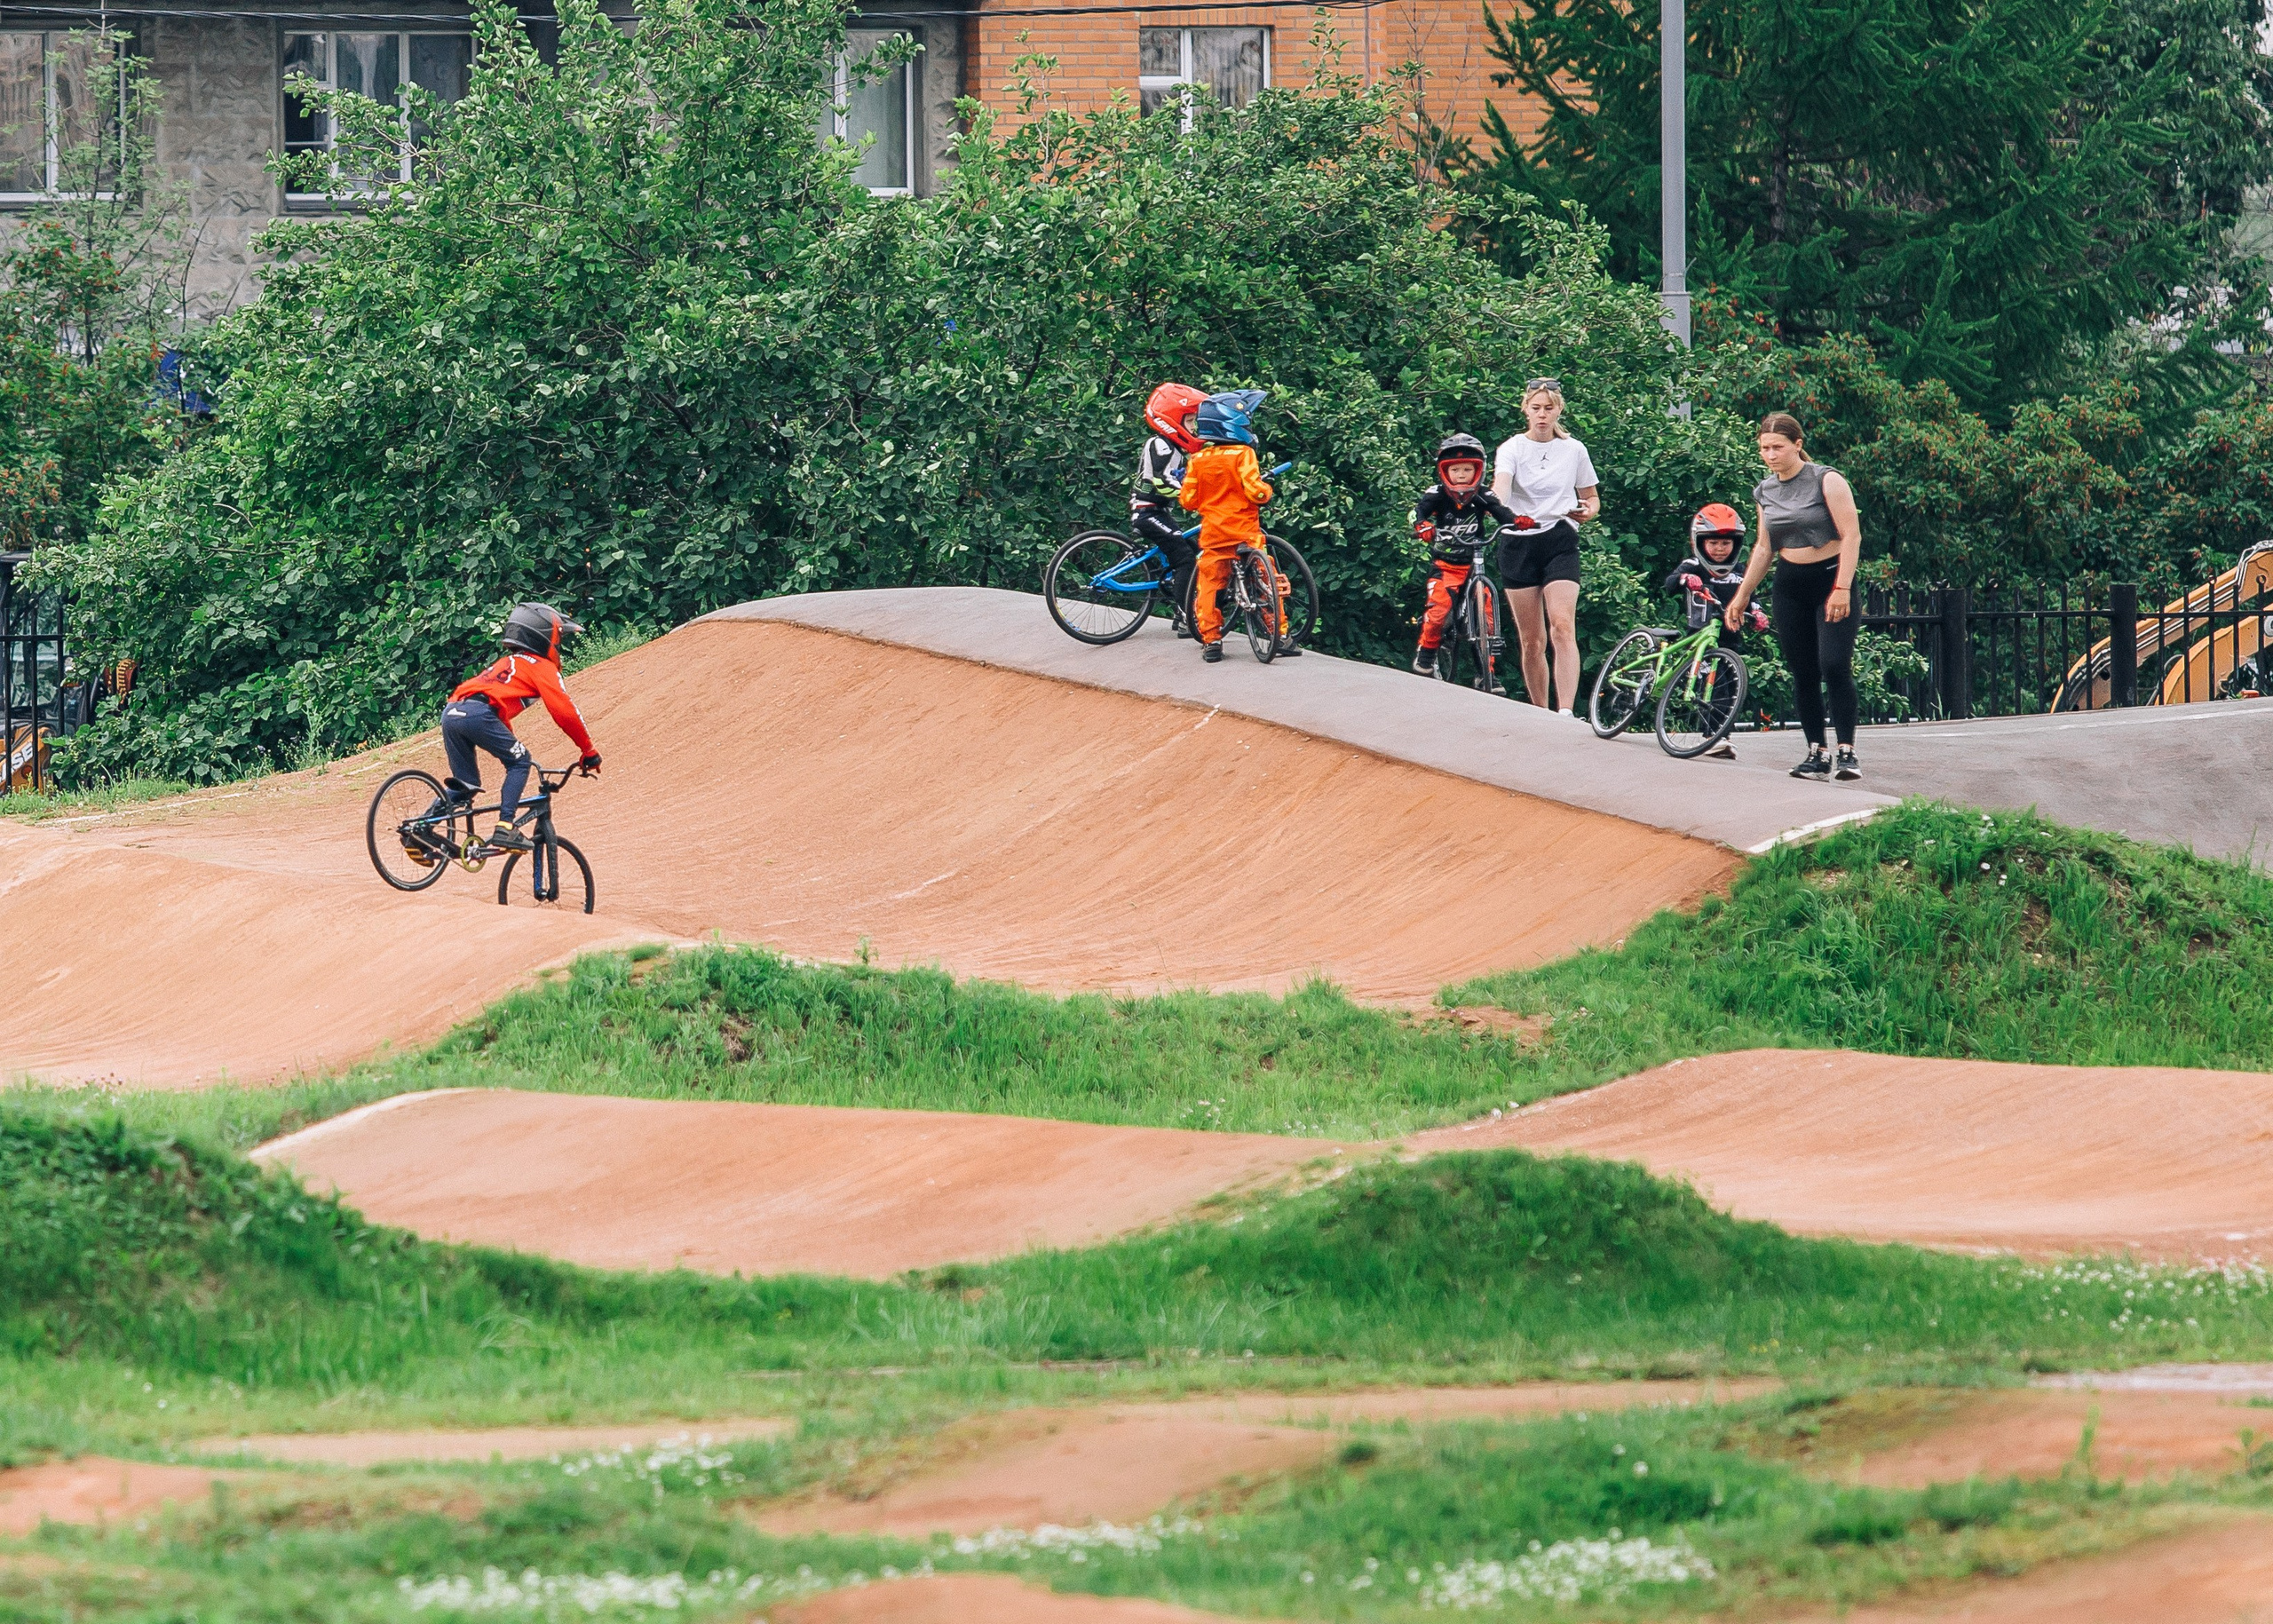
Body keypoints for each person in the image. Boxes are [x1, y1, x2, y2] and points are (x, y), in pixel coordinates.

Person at [1725, 412, 1865, 780]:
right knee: (1803, 670)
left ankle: (1846, 751)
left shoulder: (1826, 479)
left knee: (1833, 663)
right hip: (1790, 582)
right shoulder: (1765, 490)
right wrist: (1741, 597)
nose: (1770, 455)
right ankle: (1816, 752)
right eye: (1764, 449)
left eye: (1778, 447)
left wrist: (1842, 587)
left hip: (1830, 577)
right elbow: (1764, 547)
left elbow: (1851, 535)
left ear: (1798, 445)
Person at [440, 602, 602, 852]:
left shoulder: (508, 663)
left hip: (452, 712)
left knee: (465, 786)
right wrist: (588, 750)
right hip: (478, 715)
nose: (557, 647)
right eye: (557, 640)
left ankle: (418, 831)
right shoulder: (541, 666)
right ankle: (506, 827)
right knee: (520, 762)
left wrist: (508, 740)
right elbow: (564, 710)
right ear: (543, 636)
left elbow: (493, 706)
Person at [1492, 379, 1601, 717]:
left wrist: (1587, 511)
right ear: (1525, 409)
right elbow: (1502, 487)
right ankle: (1540, 711)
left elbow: (1592, 497)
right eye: (1536, 408)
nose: (1542, 415)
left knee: (1562, 626)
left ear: (1559, 410)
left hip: (1559, 538)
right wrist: (1495, 507)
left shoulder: (1574, 449)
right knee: (1532, 640)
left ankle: (1566, 710)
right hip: (1518, 540)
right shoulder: (1512, 448)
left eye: (1548, 408)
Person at [1411, 432, 1521, 676]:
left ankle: (1486, 674)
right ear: (1444, 471)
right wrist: (1423, 526)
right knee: (1439, 611)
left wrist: (1518, 521)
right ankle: (1427, 654)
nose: (1461, 476)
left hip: (1474, 564)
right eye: (1455, 470)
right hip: (1446, 564)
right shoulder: (1436, 494)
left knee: (1487, 616)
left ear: (1478, 471)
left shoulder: (1484, 494)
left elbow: (1501, 512)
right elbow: (1417, 513)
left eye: (1467, 470)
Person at [1663, 503, 1768, 759]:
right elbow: (1669, 584)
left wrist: (1758, 613)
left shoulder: (1742, 572)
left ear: (1736, 544)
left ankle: (1721, 737)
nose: (1720, 549)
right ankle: (1711, 735)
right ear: (1700, 543)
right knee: (1710, 683)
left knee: (1729, 686)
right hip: (1701, 637)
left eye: (1726, 543)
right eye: (1713, 543)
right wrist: (1685, 579)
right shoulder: (1693, 564)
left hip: (1730, 637)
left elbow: (1752, 598)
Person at [1177, 389, 1275, 663]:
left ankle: (1212, 641)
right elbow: (1255, 491)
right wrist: (1266, 492)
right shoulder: (1243, 454)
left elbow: (1187, 500)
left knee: (1208, 585)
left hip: (1215, 535)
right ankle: (1279, 633)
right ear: (1233, 424)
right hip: (1245, 531)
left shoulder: (1197, 460)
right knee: (1265, 576)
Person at [1133, 382, 1208, 636]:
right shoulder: (1161, 445)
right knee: (1185, 559)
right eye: (1189, 422)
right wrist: (1196, 497)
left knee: (1195, 551)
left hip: (1159, 512)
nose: (1194, 428)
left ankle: (1180, 610)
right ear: (1173, 420)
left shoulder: (1174, 449)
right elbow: (1163, 482)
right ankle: (1187, 617)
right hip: (1147, 512)